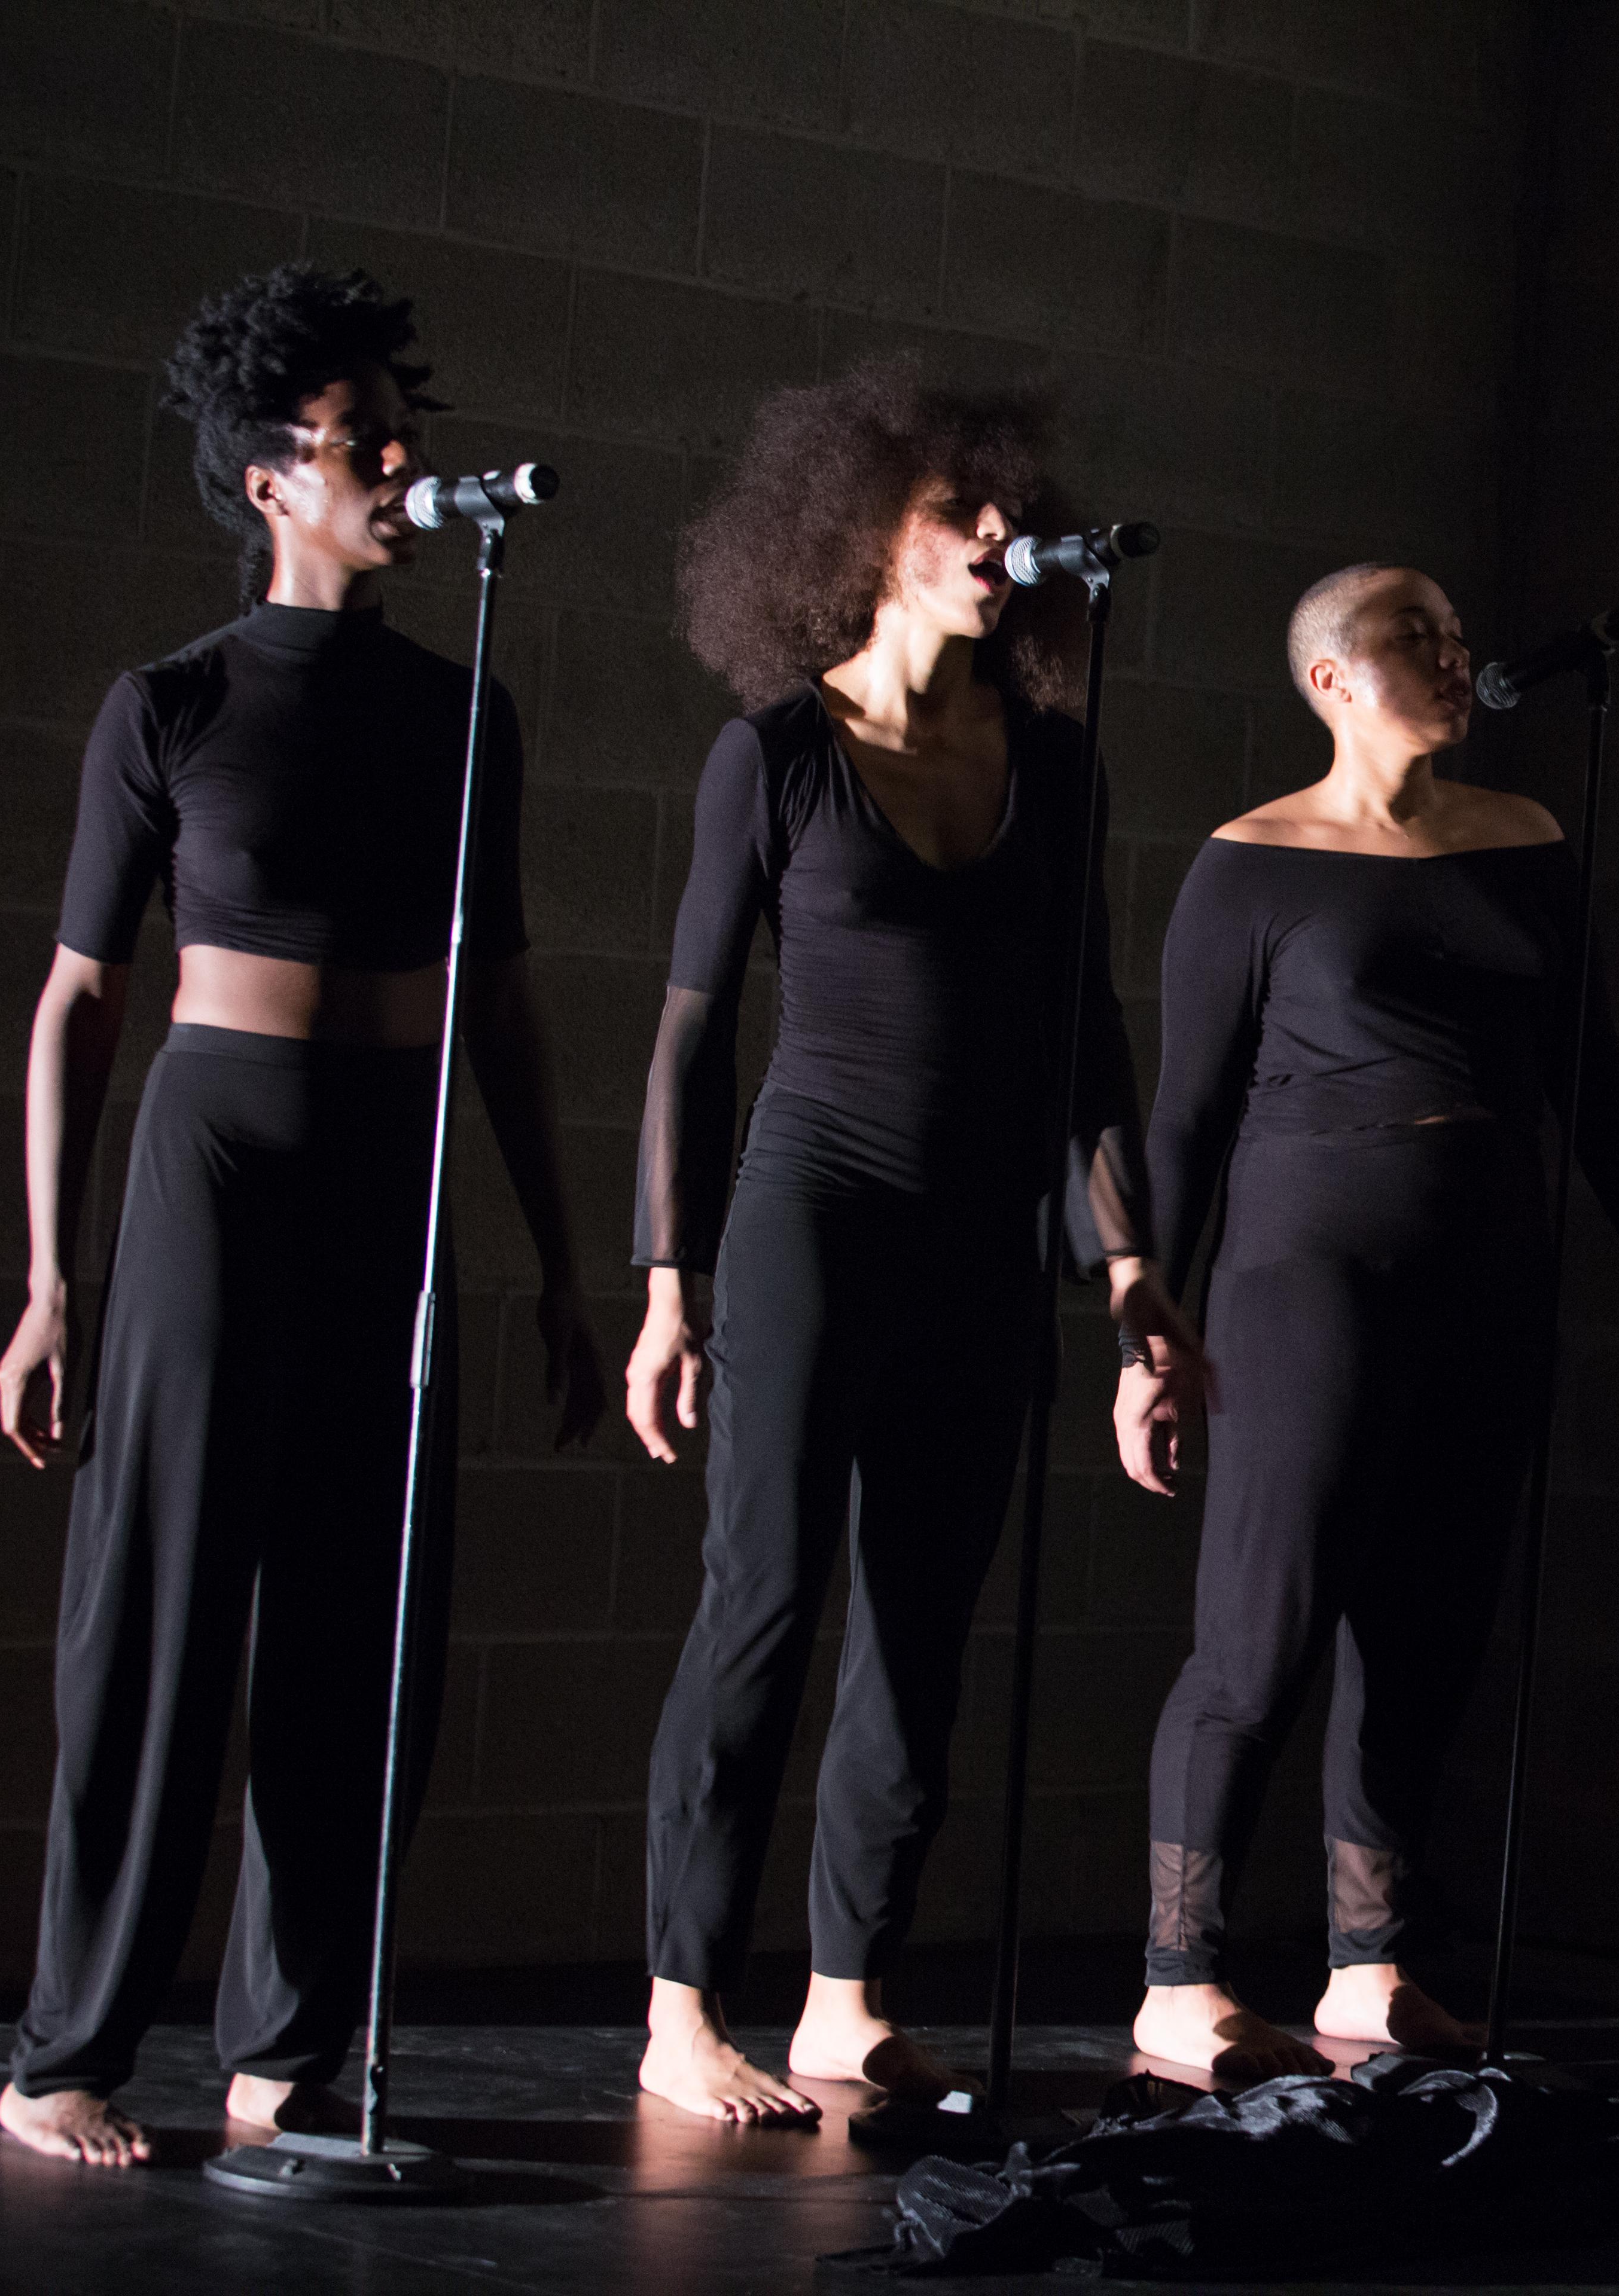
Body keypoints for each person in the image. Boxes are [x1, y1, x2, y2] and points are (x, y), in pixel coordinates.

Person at [0, 264, 604, 2168]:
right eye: (361, 446)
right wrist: (47, 1282)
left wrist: (566, 1265)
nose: (400, 469)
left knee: (361, 1619)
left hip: (382, 1163)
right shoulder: (169, 704)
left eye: (398, 437)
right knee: (163, 1618)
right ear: (271, 481)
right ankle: (65, 2060)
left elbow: (499, 996)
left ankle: (288, 2046)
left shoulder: (463, 712)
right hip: (212, 1159)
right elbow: (81, 996)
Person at [623, 361, 1191, 2124]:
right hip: (814, 1213)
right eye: (964, 511)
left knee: (922, 1626)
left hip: (980, 1234)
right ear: (863, 533)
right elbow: (691, 1039)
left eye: (1008, 508)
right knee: (767, 1604)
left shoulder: (1061, 765)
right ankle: (681, 2007)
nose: (1002, 537)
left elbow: (1090, 1032)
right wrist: (669, 1284)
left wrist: (1130, 1276)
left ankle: (846, 1997)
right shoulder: (780, 756)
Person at [1121, 563, 1619, 2083]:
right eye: (1417, 642)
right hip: (1306, 1279)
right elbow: (1181, 1126)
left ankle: (1364, 1965)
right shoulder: (1252, 865)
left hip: (1490, 1276)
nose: (1457, 660)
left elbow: (1596, 1077)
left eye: (1459, 638)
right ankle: (1178, 1975)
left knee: (1428, 1637)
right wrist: (1146, 1341)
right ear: (1330, 678)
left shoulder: (1523, 843)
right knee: (1260, 1647)